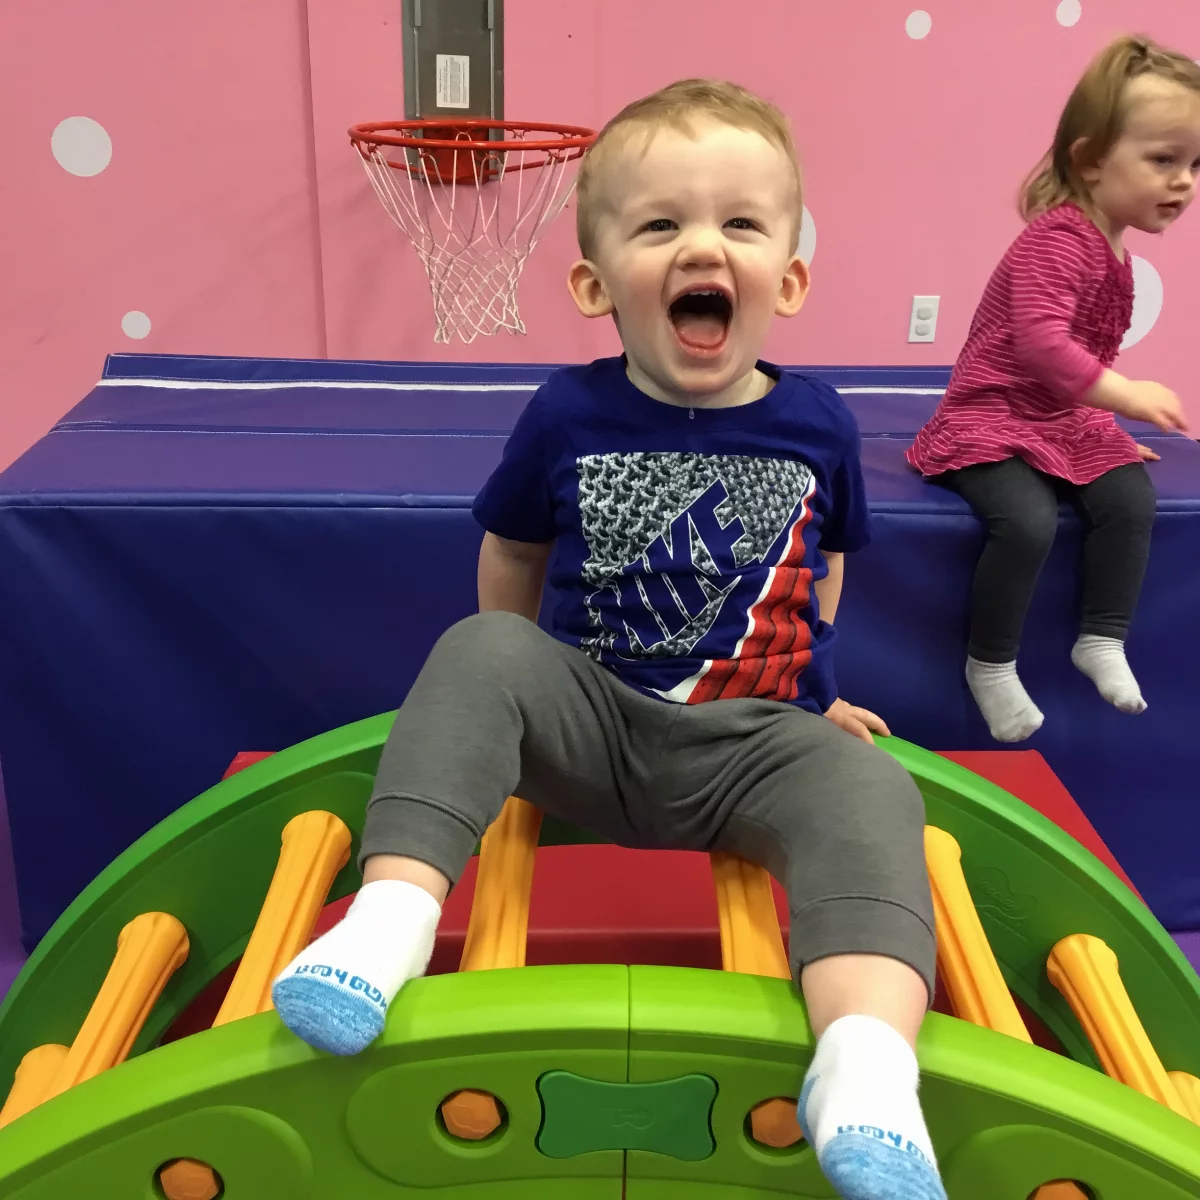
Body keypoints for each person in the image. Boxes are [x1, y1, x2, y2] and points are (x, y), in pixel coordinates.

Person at [273, 79, 946, 1200]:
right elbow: (512, 556)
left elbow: (823, 566)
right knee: (477, 649)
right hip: (587, 723)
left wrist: (819, 692)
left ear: (788, 278)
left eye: (740, 223)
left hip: (752, 745)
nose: (703, 246)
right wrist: (511, 693)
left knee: (875, 797)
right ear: (596, 284)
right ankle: (386, 924)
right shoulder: (568, 412)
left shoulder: (819, 421)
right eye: (660, 224)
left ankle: (865, 1065)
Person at [907, 35, 1199, 743]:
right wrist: (1123, 396)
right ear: (1092, 159)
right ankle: (991, 663)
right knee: (1027, 521)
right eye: (1164, 160)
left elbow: (1078, 362)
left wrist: (1107, 428)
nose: (1185, 181)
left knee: (1130, 497)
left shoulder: (1115, 252)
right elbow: (1042, 345)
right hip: (992, 413)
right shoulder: (1058, 239)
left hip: (1059, 417)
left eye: (1195, 164)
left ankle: (1102, 637)